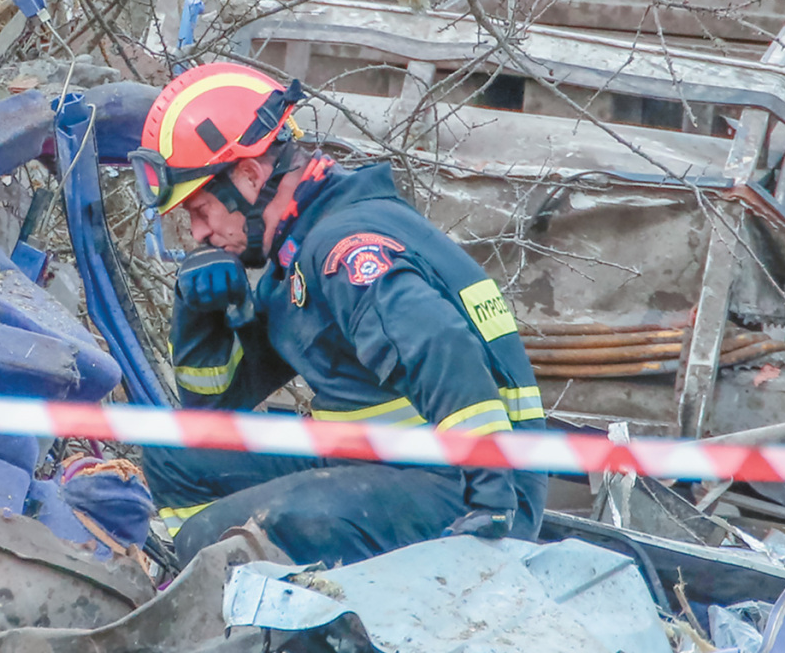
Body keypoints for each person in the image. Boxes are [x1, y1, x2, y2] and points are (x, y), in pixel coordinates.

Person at [129, 62, 547, 567]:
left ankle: (260, 598)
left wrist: (491, 498)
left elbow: (441, 344)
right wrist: (201, 312)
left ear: (249, 176)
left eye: (200, 211)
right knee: (173, 456)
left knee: (232, 533)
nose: (198, 233)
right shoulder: (300, 252)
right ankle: (211, 583)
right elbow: (212, 410)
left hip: (465, 486)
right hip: (382, 465)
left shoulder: (344, 250)